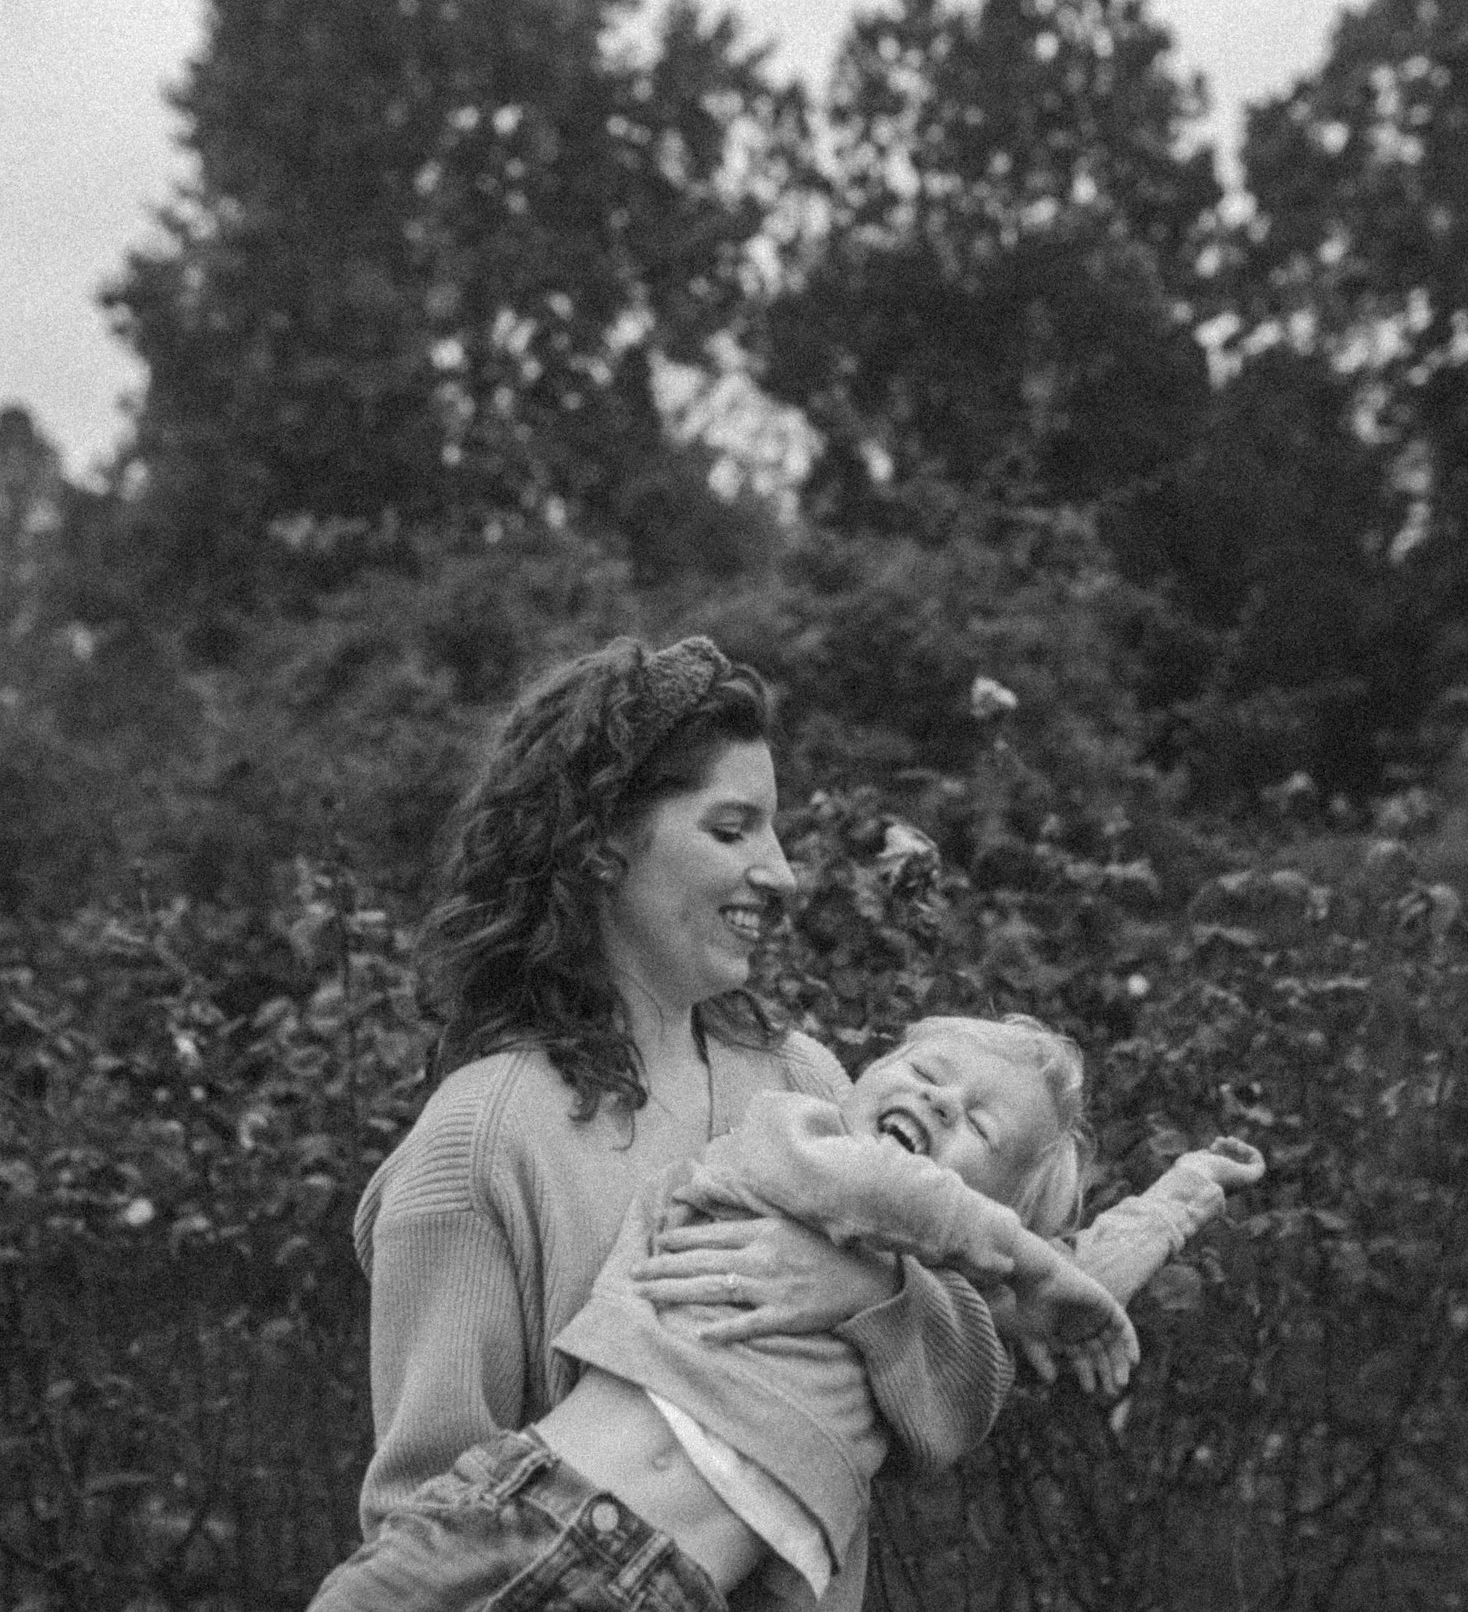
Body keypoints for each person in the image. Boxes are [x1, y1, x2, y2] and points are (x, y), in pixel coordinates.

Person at [335, 636, 1013, 1612]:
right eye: (732, 829)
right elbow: (439, 1543)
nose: (779, 873)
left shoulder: (805, 1078)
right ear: (602, 841)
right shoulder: (477, 1144)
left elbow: (948, 1410)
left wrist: (864, 1289)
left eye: (774, 831)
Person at [308, 1012, 1265, 1611]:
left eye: (979, 1123)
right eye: (923, 1072)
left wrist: (1179, 1200)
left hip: (668, 1587)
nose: (937, 1102)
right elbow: (917, 1206)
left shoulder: (936, 1323)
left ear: (1002, 1209)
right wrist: (1024, 1262)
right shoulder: (786, 1140)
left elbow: (1049, 1309)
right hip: (522, 1511)